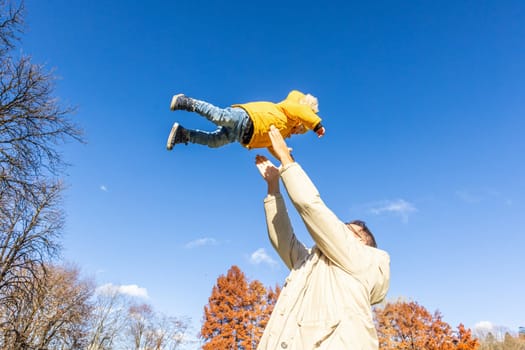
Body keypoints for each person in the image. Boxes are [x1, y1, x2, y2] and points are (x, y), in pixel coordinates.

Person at [254, 125, 390, 349]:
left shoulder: (362, 260)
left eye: (349, 230)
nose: (341, 230)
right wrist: (273, 188)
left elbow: (313, 209)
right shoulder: (311, 264)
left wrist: (286, 158)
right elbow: (283, 240)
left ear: (363, 242)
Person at [165, 90, 326, 153]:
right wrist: (316, 125)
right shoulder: (289, 110)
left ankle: (183, 134)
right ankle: (186, 102)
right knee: (219, 116)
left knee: (214, 142)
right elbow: (301, 110)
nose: (295, 133)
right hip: (247, 117)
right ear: (300, 122)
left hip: (241, 135)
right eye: (299, 130)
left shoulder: (283, 131)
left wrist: (284, 156)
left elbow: (272, 145)